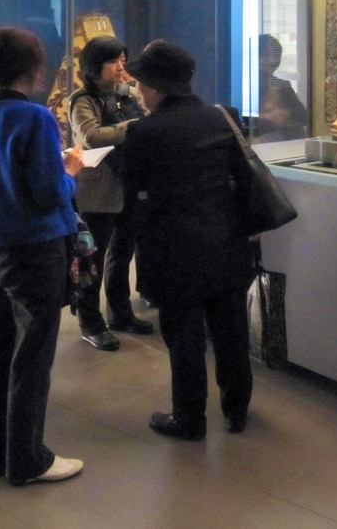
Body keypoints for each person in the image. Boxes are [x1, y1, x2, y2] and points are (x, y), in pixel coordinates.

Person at [0, 26, 85, 486]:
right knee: (33, 356)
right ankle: (28, 458)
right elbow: (50, 191)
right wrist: (71, 169)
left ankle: (2, 455)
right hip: (35, 250)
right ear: (32, 69)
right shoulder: (34, 118)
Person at [122, 41, 254, 440]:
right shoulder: (223, 116)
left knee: (184, 337)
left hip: (174, 248)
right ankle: (237, 409)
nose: (139, 92)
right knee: (231, 329)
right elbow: (240, 176)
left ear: (157, 86)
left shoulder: (145, 131)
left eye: (142, 84)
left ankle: (190, 418)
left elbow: (134, 189)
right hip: (227, 239)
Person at [68, 35, 154, 352]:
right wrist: (135, 127)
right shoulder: (82, 100)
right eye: (113, 60)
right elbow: (91, 136)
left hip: (128, 183)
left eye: (122, 59)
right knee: (92, 259)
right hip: (98, 190)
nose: (121, 66)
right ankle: (91, 323)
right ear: (94, 66)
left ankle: (120, 313)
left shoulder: (127, 94)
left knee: (122, 254)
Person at [253, 34, 308, 143]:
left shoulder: (282, 85)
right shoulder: (244, 86)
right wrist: (265, 117)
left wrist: (285, 113)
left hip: (282, 144)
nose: (273, 61)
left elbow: (303, 116)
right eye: (268, 56)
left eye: (277, 56)